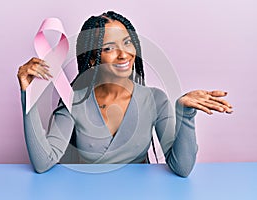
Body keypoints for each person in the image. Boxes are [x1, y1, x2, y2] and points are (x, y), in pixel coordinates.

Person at [17, 11, 233, 177]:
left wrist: (185, 114)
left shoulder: (155, 100)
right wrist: (29, 94)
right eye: (109, 48)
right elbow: (43, 162)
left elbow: (182, 168)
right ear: (92, 59)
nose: (124, 54)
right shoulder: (73, 101)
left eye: (127, 42)